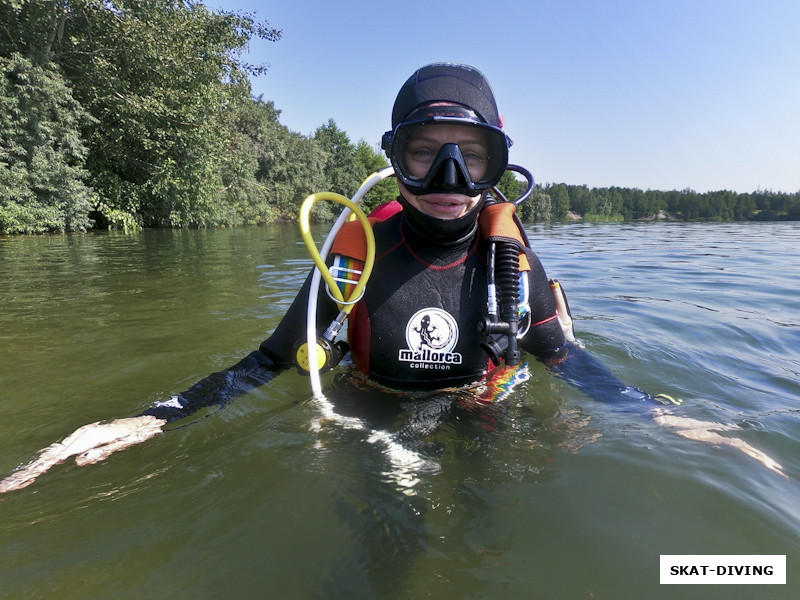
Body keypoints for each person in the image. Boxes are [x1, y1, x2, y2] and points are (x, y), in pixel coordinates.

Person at [0, 64, 784, 494]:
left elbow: (568, 360)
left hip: (483, 413)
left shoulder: (510, 258)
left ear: (496, 164)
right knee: (380, 544)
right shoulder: (354, 255)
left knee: (489, 530)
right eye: (425, 152)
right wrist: (153, 418)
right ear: (394, 156)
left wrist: (661, 416)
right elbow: (269, 363)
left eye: (469, 155)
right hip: (368, 414)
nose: (447, 175)